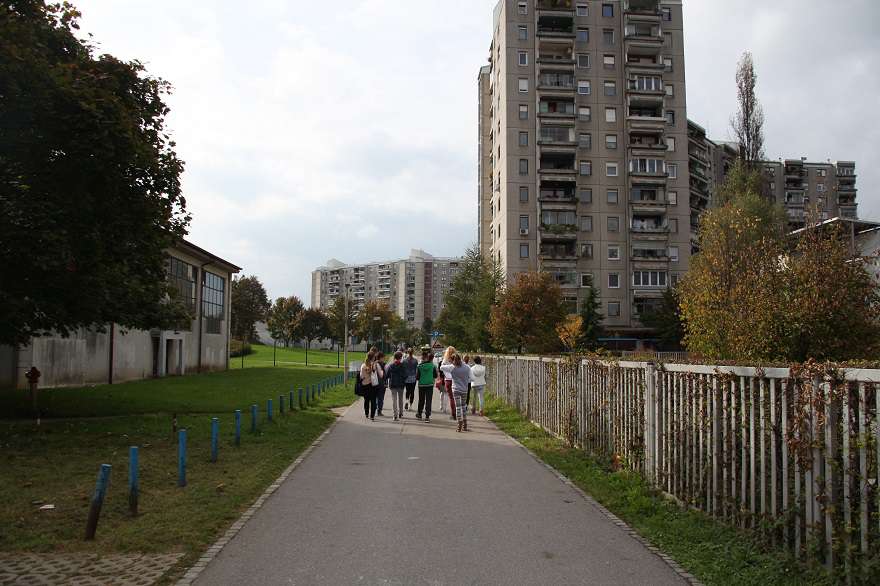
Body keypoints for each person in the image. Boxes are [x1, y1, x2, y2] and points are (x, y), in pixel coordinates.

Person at [440, 354, 472, 432]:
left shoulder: (452, 367)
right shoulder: (467, 367)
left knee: (458, 407)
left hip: (456, 390)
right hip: (464, 390)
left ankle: (459, 424)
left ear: (453, 360)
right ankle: (465, 424)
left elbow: (441, 367)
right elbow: (472, 378)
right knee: (464, 407)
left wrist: (449, 363)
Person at [385, 351, 407, 421]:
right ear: (401, 358)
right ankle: (401, 412)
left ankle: (395, 415)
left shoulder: (391, 366)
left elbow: (387, 375)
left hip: (393, 384)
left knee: (394, 400)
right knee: (400, 399)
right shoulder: (403, 365)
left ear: (394, 357)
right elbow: (406, 375)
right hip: (401, 384)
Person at [359, 351, 381, 421]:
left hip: (365, 385)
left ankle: (366, 413)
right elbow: (376, 373)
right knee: (373, 400)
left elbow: (361, 376)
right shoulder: (374, 365)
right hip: (373, 385)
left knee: (366, 400)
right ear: (373, 358)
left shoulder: (363, 365)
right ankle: (372, 416)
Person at [416, 350, 437, 422]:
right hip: (430, 385)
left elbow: (417, 377)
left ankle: (419, 413)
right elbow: (435, 375)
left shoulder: (419, 366)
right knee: (428, 400)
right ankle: (427, 416)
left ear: (422, 358)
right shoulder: (432, 366)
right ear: (427, 358)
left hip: (421, 385)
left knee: (421, 399)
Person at [441, 346, 457, 420]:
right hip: (456, 380)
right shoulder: (456, 359)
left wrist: (446, 373)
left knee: (451, 398)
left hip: (448, 380)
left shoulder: (445, 360)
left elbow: (442, 368)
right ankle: (457, 413)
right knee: (456, 397)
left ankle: (453, 413)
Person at [375, 351, 387, 416]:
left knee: (375, 397)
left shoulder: (374, 363)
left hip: (374, 383)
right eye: (383, 357)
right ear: (381, 358)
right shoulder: (382, 364)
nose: (384, 359)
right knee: (381, 398)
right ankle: (379, 411)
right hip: (381, 383)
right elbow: (383, 375)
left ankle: (375, 409)